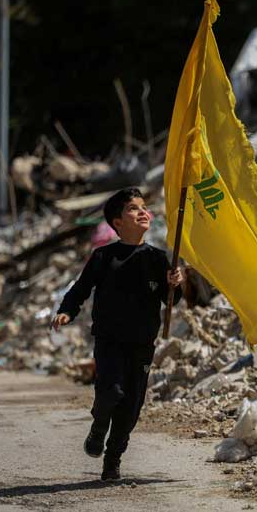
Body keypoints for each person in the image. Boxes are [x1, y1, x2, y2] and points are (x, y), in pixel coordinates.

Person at [51, 188, 184, 481]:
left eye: (144, 206)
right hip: (109, 340)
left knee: (132, 405)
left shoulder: (158, 258)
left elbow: (172, 299)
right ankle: (99, 427)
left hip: (142, 343)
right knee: (110, 391)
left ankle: (113, 458)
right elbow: (80, 289)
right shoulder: (104, 256)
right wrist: (67, 311)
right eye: (133, 208)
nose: (142, 212)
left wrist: (175, 283)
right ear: (118, 222)